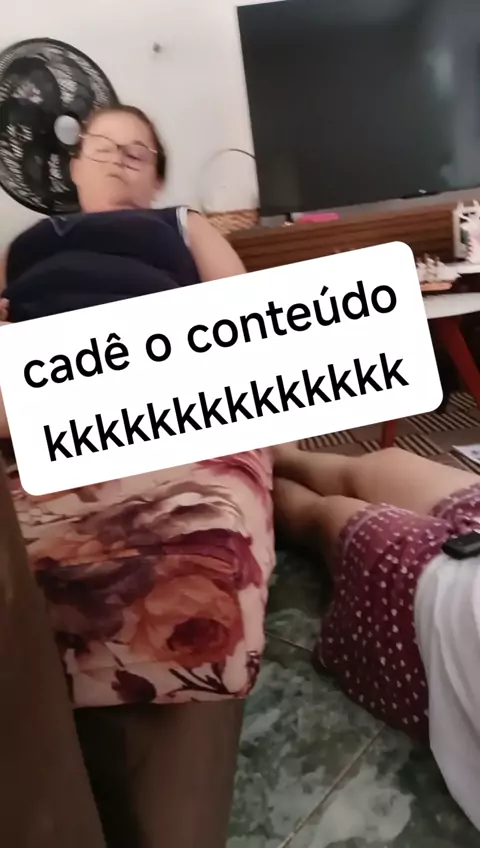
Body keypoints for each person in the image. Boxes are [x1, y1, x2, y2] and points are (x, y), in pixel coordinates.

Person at [0, 105, 275, 848]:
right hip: (40, 382)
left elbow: (243, 309)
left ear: (155, 177)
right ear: (74, 165)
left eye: (137, 151)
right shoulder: (25, 243)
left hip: (155, 370)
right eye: (104, 147)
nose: (119, 159)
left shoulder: (180, 225)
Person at [273, 442, 480, 831]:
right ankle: (278, 455)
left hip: (445, 612)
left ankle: (244, 474)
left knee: (322, 514)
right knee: (385, 466)